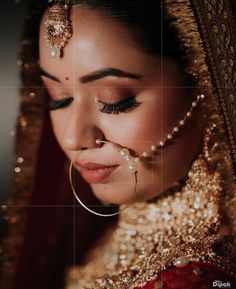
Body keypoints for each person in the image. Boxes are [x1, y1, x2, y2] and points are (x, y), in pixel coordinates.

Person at [0, 0, 236, 288]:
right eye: (59, 98)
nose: (74, 138)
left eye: (114, 101)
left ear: (205, 87)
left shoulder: (200, 278)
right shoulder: (115, 235)